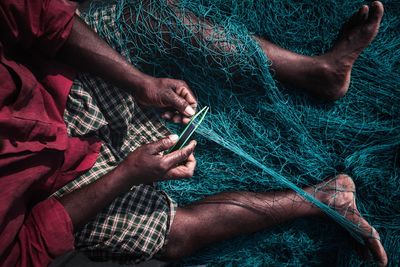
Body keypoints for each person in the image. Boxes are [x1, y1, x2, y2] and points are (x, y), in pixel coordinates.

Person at [0, 0, 387, 266]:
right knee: (173, 236)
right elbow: (24, 251)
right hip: (60, 191)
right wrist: (127, 174)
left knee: (148, 20)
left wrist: (140, 83)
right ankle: (326, 197)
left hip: (59, 82)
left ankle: (316, 72)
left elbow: (40, 16)